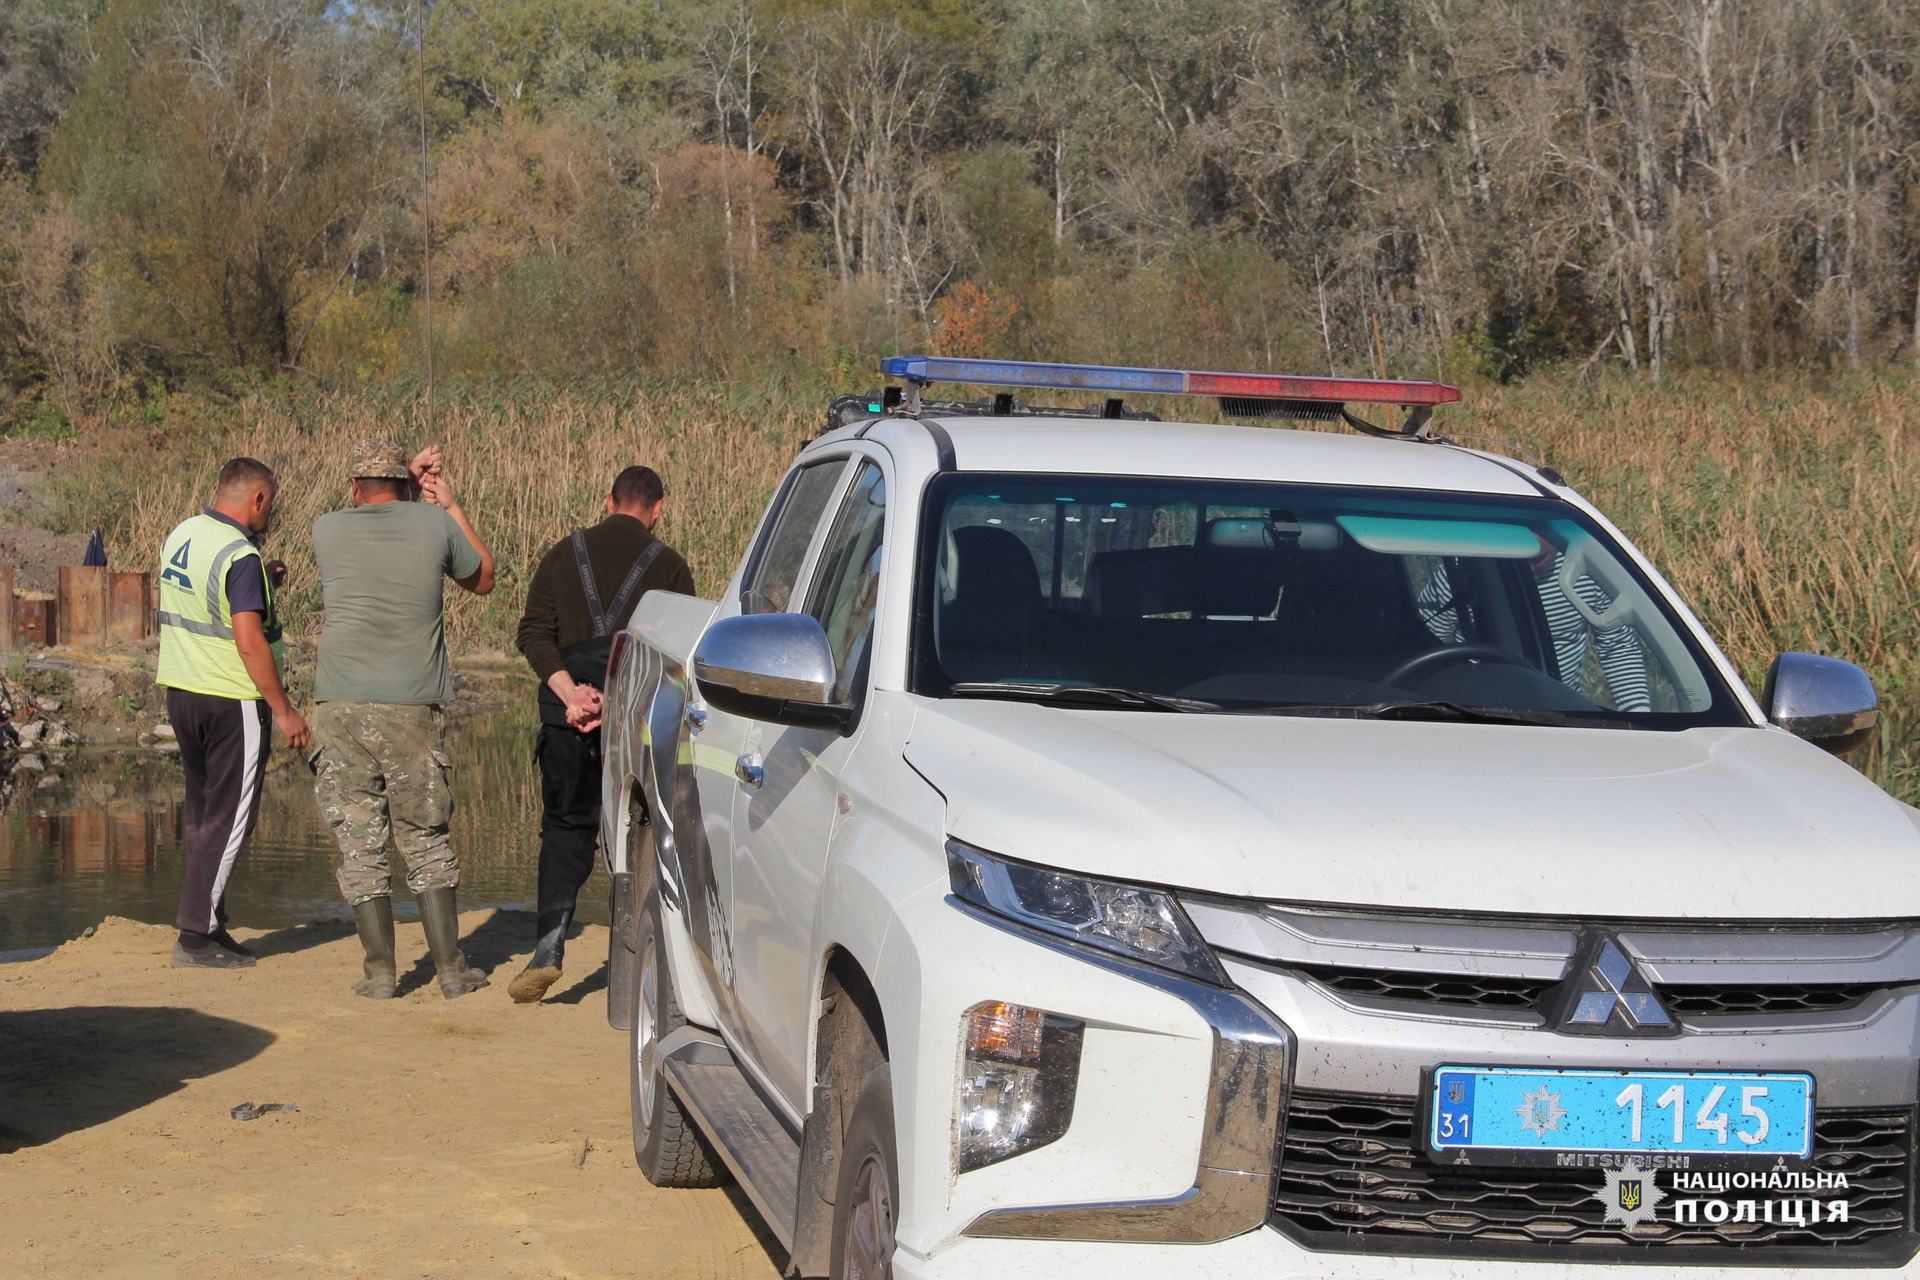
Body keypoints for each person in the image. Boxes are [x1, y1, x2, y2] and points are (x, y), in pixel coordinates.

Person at [309, 440, 497, 1000]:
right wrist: (449, 504)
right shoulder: (434, 526)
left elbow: (368, 516)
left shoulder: (326, 529)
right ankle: (450, 971)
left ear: (352, 486)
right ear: (408, 485)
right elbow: (483, 577)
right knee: (425, 838)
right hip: (411, 707)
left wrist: (411, 489)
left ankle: (380, 974)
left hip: (338, 704)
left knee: (360, 842)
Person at [508, 465, 695, 1004]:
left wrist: (574, 695)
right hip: (632, 720)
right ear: (657, 508)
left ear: (608, 500)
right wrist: (613, 703)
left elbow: (532, 634)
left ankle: (547, 949)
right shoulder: (671, 566)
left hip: (563, 715)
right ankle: (628, 971)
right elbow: (676, 660)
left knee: (565, 827)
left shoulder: (563, 554)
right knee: (637, 830)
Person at [156, 457, 310, 969]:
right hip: (230, 698)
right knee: (230, 817)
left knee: (203, 811)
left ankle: (210, 922)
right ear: (258, 499)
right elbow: (247, 641)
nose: (271, 513)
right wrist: (283, 709)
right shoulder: (240, 554)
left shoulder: (184, 533)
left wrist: (262, 581)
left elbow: (207, 603)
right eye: (271, 504)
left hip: (183, 691)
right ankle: (195, 935)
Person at [1415, 534, 1652, 711]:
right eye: (1515, 558)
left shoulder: (1586, 571)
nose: (1525, 567)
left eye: (1536, 558)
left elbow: (1618, 646)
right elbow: (1423, 642)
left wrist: (1639, 717)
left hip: (1562, 714)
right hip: (1474, 712)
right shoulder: (1460, 570)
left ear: (1552, 532)